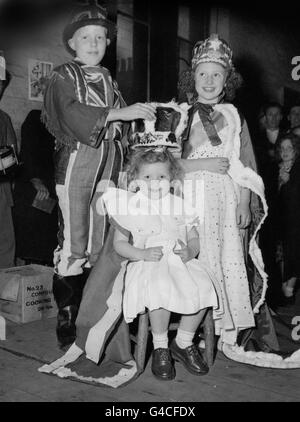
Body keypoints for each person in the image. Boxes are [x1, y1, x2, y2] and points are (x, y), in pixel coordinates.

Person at [42, 3, 156, 348]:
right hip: (78, 165)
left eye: (101, 37)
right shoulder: (63, 75)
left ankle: (90, 313)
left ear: (108, 43)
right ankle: (66, 311)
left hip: (110, 168)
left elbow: (124, 129)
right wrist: (120, 113)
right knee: (75, 240)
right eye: (86, 37)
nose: (94, 43)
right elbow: (72, 112)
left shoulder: (110, 81)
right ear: (72, 44)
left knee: (100, 242)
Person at [179, 34, 270, 357]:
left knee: (226, 258)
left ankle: (221, 328)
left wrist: (245, 201)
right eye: (202, 73)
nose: (209, 80)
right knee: (202, 260)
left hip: (227, 198)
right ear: (193, 77)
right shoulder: (180, 114)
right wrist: (200, 163)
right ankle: (190, 327)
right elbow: (164, 161)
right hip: (192, 196)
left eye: (216, 74)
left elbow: (245, 164)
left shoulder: (234, 116)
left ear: (227, 80)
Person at [103, 148, 218, 380]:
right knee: (160, 286)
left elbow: (193, 236)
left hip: (179, 261)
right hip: (148, 262)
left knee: (204, 286)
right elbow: (120, 244)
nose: (155, 183)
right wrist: (142, 253)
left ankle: (184, 341)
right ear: (136, 179)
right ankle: (161, 346)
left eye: (161, 177)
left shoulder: (179, 204)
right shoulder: (131, 206)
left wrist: (190, 250)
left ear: (172, 178)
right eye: (147, 177)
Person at [12, 78, 58, 266]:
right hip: (37, 189)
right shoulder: (35, 118)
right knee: (36, 246)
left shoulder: (63, 125)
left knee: (50, 246)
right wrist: (36, 181)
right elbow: (27, 153)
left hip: (55, 189)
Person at [276, 134, 300, 304]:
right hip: (284, 220)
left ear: (296, 150)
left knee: (295, 253)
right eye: (282, 148)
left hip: (297, 220)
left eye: (289, 148)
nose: (285, 151)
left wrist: (288, 182)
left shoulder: (298, 167)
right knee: (284, 254)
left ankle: (290, 289)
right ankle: (287, 291)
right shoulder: (277, 167)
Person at [0, 71, 18, 268]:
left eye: (1, 84)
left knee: (5, 244)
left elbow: (12, 155)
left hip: (2, 189)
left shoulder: (4, 118)